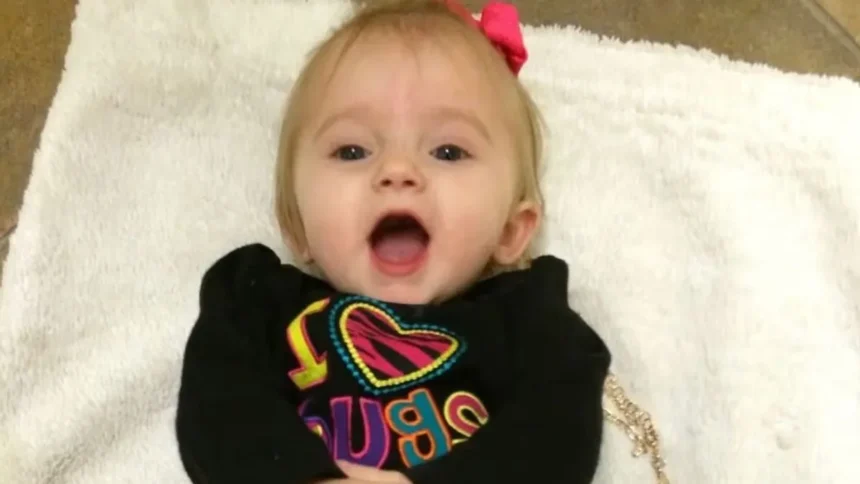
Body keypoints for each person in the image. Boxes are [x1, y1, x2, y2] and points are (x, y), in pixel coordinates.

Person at [175, 1, 611, 483]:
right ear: (296, 225)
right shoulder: (256, 302)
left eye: (448, 151)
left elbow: (554, 432)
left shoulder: (529, 321)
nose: (398, 170)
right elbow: (221, 404)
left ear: (511, 230)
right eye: (352, 150)